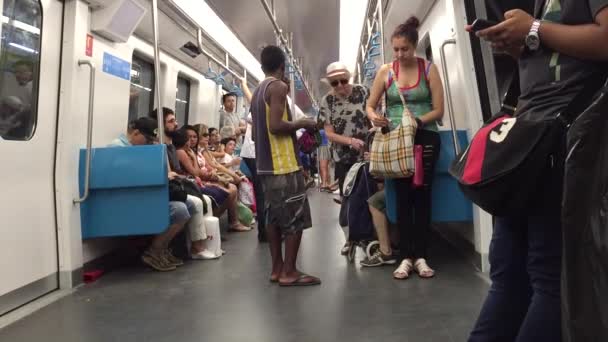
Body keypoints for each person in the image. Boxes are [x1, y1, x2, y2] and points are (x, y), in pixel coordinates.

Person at [465, 3, 608, 342]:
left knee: (548, 277)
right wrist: (519, 47)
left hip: (566, 141)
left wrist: (535, 29)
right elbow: (558, 62)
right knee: (508, 271)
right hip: (529, 141)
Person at [366, 17, 445, 279]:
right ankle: (405, 257)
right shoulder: (386, 72)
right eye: (396, 49)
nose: (400, 54)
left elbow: (438, 110)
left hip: (424, 137)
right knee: (401, 196)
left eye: (405, 49)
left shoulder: (429, 69)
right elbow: (370, 104)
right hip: (396, 141)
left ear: (414, 46)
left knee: (422, 196)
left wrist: (416, 122)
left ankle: (421, 255)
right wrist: (373, 117)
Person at [251, 45, 320, 286]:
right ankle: (289, 272)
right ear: (283, 67)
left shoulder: (257, 91)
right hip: (283, 165)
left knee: (272, 217)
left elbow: (255, 134)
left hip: (264, 167)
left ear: (262, 67)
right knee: (295, 218)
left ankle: (277, 268)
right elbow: (275, 126)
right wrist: (302, 123)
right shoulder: (278, 87)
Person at [109, 117, 215, 268]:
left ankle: (162, 249)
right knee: (179, 209)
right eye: (147, 139)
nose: (149, 143)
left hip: (143, 194)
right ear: (136, 133)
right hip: (128, 200)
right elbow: (126, 177)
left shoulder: (137, 149)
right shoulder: (117, 148)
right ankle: (153, 252)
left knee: (190, 204)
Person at [318, 61, 371, 255]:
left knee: (367, 195)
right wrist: (350, 141)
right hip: (342, 156)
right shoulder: (327, 102)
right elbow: (329, 133)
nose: (340, 86)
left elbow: (373, 116)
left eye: (343, 80)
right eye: (335, 83)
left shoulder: (363, 92)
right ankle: (350, 239)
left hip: (366, 154)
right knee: (347, 197)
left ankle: (367, 237)